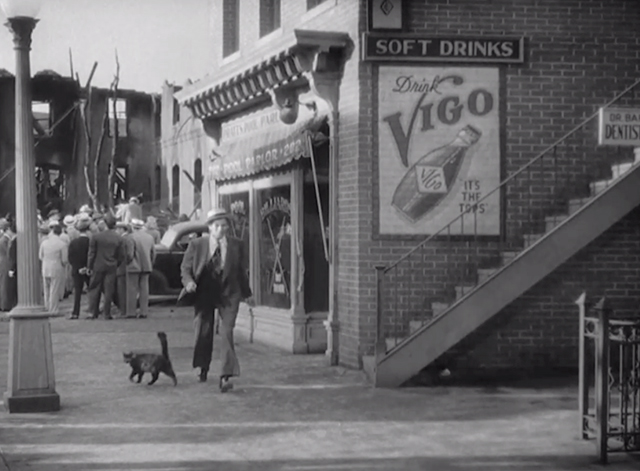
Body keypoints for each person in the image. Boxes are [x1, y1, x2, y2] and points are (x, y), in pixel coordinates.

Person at [180, 207, 252, 392]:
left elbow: (241, 272)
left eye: (224, 226)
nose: (221, 229)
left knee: (227, 331)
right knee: (203, 331)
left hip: (229, 293)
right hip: (204, 291)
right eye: (217, 226)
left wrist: (248, 295)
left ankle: (226, 375)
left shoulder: (237, 245)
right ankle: (202, 367)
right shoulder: (197, 245)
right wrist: (189, 283)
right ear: (210, 228)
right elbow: (185, 269)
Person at [86, 214, 124, 320]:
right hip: (111, 265)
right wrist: (116, 263)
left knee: (94, 288)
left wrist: (89, 266)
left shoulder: (96, 237)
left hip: (97, 265)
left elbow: (91, 253)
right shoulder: (118, 238)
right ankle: (107, 313)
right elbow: (122, 255)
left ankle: (92, 312)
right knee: (109, 289)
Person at [128, 219, 156, 319]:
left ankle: (131, 312)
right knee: (144, 289)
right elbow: (153, 253)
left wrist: (127, 263)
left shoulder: (131, 237)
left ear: (133, 227)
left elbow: (130, 254)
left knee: (132, 289)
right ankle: (144, 311)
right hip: (147, 265)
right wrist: (150, 263)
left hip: (133, 266)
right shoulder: (149, 237)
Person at [39, 220, 68, 314]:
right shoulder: (62, 244)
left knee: (46, 288)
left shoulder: (44, 243)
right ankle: (53, 309)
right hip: (56, 267)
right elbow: (64, 259)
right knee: (54, 289)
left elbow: (40, 256)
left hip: (45, 267)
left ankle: (46, 306)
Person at [67, 215, 92, 319]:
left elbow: (70, 257)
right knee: (91, 290)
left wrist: (77, 267)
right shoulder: (90, 242)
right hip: (88, 269)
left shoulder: (73, 243)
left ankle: (75, 312)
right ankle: (92, 311)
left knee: (77, 292)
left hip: (76, 269)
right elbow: (91, 255)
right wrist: (87, 267)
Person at [114, 222, 134, 317]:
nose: (116, 231)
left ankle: (124, 311)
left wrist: (123, 262)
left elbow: (129, 254)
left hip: (123, 267)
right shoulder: (127, 238)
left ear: (123, 229)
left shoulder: (125, 239)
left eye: (118, 229)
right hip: (124, 267)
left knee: (122, 290)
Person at [0, 218, 17, 311]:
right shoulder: (4, 240)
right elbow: (8, 253)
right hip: (5, 262)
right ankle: (5, 304)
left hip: (3, 262)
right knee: (5, 284)